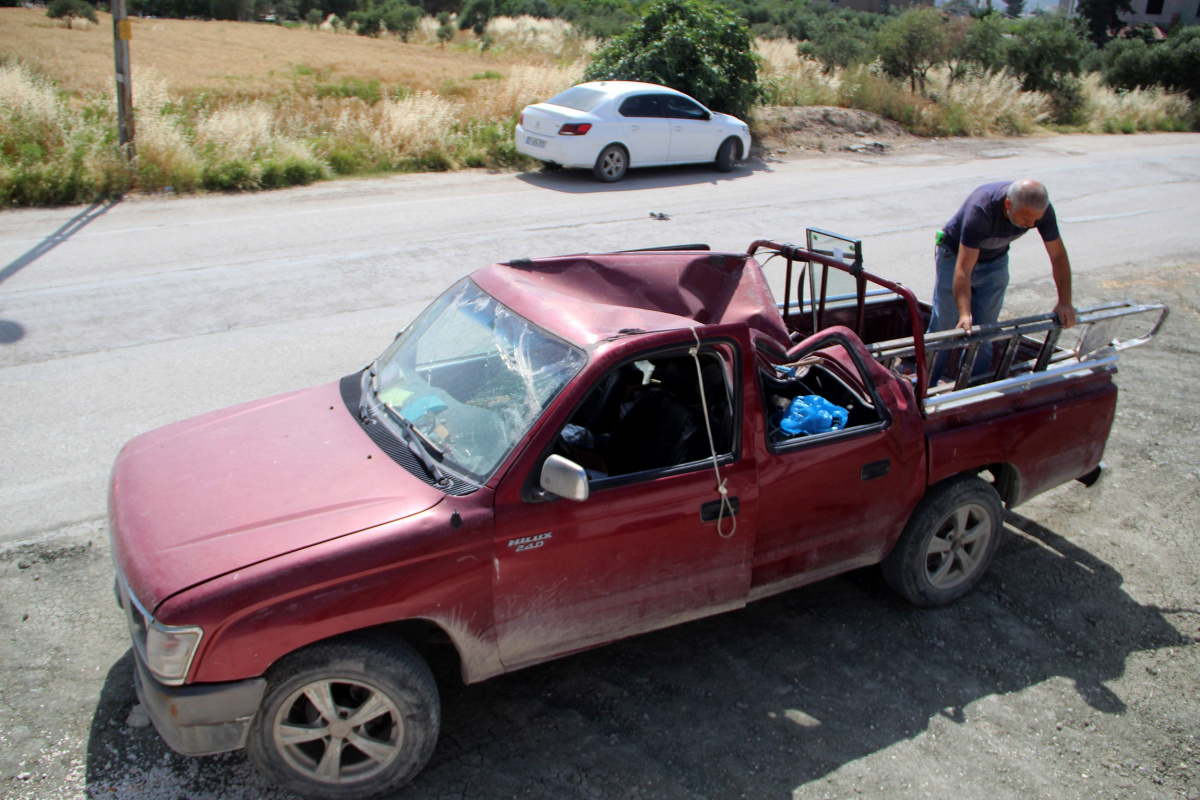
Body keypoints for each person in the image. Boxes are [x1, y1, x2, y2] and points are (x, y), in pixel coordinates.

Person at [929, 179, 1077, 337]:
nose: (1032, 224)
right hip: (956, 255)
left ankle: (979, 362)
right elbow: (963, 270)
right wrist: (964, 314)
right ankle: (930, 361)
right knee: (946, 325)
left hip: (995, 259)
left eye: (1036, 220)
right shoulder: (980, 209)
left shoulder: (1041, 211)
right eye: (1026, 219)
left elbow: (1058, 256)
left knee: (987, 329)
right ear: (1008, 204)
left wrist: (1065, 302)